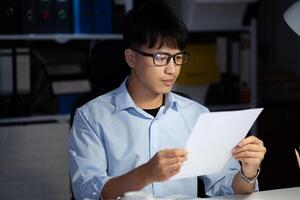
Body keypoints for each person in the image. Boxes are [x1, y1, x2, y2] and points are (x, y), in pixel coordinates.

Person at [68, 2, 266, 200]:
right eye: (161, 57)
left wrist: (247, 173)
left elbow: (226, 186)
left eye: (178, 57)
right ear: (131, 58)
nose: (172, 69)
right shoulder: (91, 117)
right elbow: (87, 193)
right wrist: (146, 173)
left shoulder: (197, 114)